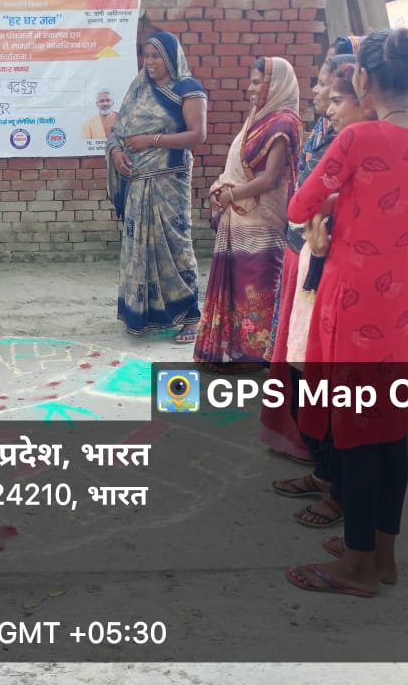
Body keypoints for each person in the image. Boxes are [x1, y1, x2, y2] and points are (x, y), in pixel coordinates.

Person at [285, 28, 408, 598]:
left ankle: (357, 566)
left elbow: (299, 206)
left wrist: (337, 198)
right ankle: (383, 553)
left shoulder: (358, 139)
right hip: (404, 289)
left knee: (355, 428)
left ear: (363, 78)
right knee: (391, 425)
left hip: (355, 292)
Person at [265, 55, 373, 530]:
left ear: (366, 100)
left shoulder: (359, 146)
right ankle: (325, 472)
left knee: (331, 384)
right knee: (302, 372)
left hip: (338, 275)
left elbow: (302, 203)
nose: (326, 104)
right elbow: (304, 206)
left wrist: (322, 209)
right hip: (311, 261)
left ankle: (338, 490)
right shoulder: (334, 136)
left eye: (336, 96)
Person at [194, 57, 303, 368]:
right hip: (241, 216)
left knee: (258, 283)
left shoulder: (283, 123)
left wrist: (230, 194)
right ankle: (234, 351)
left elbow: (271, 179)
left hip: (263, 220)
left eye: (257, 82)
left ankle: (258, 354)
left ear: (275, 84)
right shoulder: (259, 118)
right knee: (238, 282)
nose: (250, 88)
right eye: (251, 82)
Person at [106, 32, 207, 341]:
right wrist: (117, 154)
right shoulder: (140, 87)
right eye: (146, 55)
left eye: (156, 56)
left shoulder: (188, 89)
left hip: (169, 183)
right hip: (137, 183)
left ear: (171, 58)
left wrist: (152, 140)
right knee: (139, 250)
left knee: (175, 247)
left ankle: (191, 317)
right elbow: (118, 131)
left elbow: (197, 135)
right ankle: (145, 314)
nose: (149, 62)